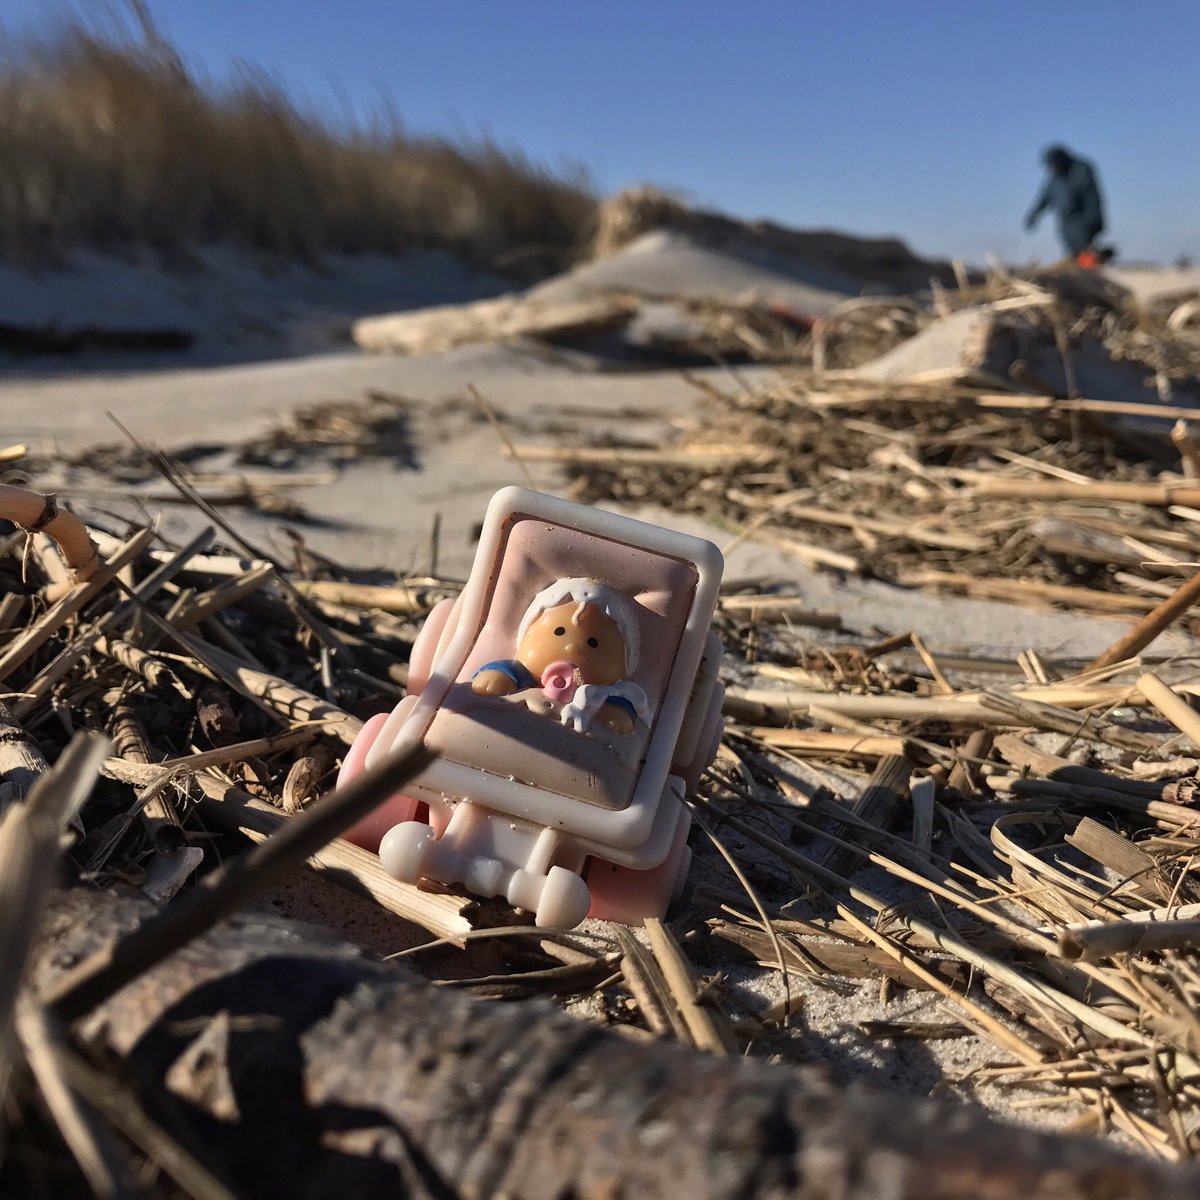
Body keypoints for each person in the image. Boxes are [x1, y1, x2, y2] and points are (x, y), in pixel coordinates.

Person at [1024, 144, 1107, 263]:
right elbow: (1044, 198)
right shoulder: (1054, 180)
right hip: (1066, 224)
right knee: (1072, 251)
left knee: (1084, 248)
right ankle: (1081, 263)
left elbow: (1092, 197)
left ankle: (1093, 263)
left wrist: (1093, 220)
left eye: (1056, 164)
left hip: (1084, 220)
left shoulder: (1081, 169)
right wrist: (1033, 215)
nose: (1054, 168)